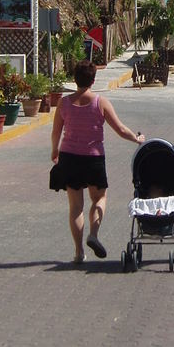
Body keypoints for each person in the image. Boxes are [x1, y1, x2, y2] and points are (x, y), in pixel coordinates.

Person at [50, 59, 145, 264]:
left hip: (69, 157)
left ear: (74, 80)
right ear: (93, 80)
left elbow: (56, 131)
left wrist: (54, 151)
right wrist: (137, 139)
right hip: (93, 158)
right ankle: (93, 233)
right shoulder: (100, 102)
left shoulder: (64, 103)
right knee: (99, 198)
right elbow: (120, 129)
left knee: (76, 207)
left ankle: (78, 252)